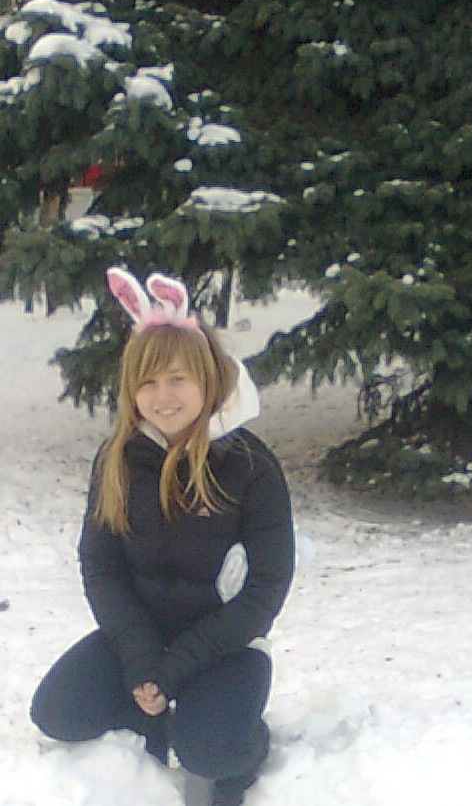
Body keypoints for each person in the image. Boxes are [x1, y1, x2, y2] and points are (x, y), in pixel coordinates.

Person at [30, 268, 295, 806]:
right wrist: (141, 661)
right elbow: (101, 566)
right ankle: (157, 715)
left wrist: (173, 669)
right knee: (57, 713)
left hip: (225, 646)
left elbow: (265, 590)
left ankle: (238, 737)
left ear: (208, 378)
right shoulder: (117, 458)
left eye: (177, 378)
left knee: (212, 754)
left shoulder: (250, 465)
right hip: (142, 638)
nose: (162, 396)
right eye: (147, 382)